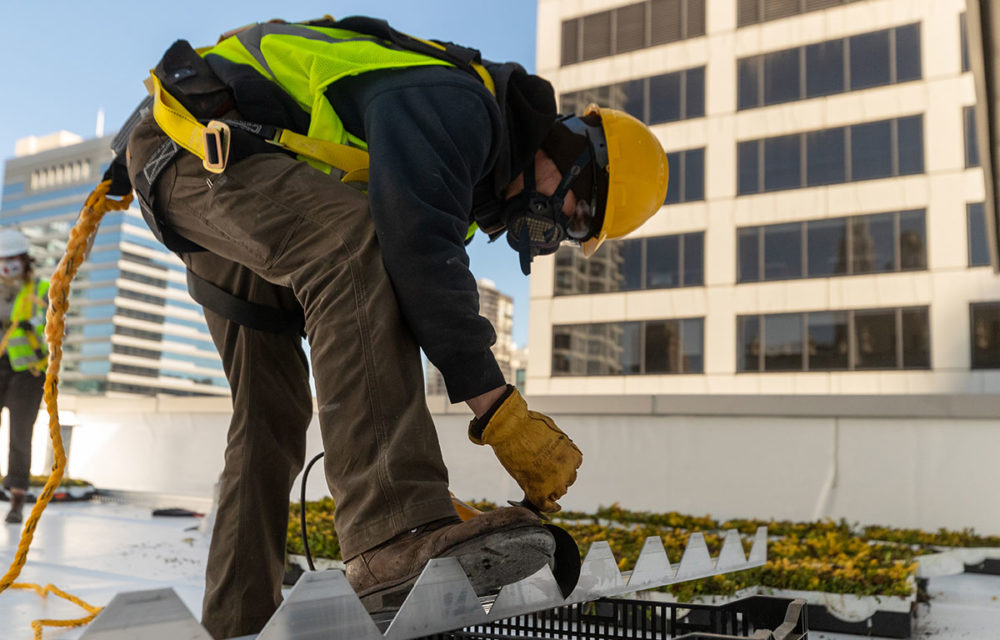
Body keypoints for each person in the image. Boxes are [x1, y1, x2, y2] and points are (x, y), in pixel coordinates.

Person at [121, 15, 668, 639]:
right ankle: (394, 532)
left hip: (210, 171)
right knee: (357, 245)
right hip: (198, 147)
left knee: (268, 417)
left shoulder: (460, 180)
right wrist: (499, 410)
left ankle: (240, 626)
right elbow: (416, 259)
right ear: (569, 149)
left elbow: (397, 307)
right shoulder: (462, 108)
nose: (563, 225)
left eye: (576, 231)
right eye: (581, 206)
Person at [0, 229, 49, 525]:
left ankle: (17, 498)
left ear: (24, 259)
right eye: (1, 259)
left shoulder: (43, 287)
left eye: (12, 258)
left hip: (28, 370)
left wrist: (38, 324)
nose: (6, 264)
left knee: (20, 434)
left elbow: (59, 326)